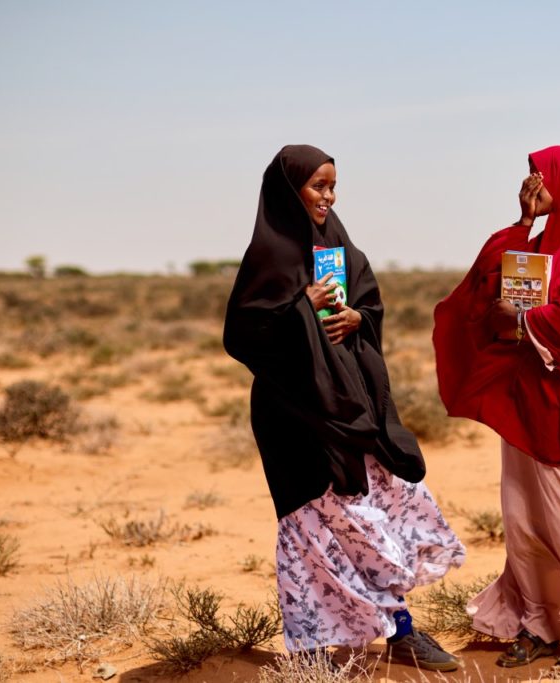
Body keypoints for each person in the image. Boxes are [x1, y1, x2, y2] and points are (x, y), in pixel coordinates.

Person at [224, 144, 466, 672]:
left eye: (333, 186)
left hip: (352, 410)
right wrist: (299, 311)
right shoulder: (271, 256)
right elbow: (242, 336)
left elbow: (370, 305)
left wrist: (358, 319)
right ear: (290, 190)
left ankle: (400, 633)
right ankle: (312, 651)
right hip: (294, 417)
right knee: (312, 528)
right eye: (318, 186)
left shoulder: (340, 247)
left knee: (370, 518)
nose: (328, 197)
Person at [433, 145, 560, 676]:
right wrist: (522, 221)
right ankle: (539, 624)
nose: (533, 178)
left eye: (543, 171)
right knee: (521, 518)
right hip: (523, 394)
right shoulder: (548, 239)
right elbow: (489, 276)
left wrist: (519, 323)